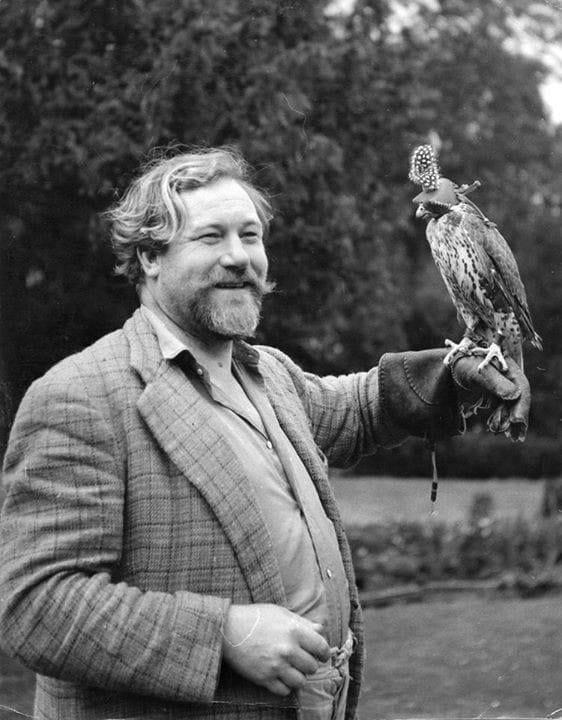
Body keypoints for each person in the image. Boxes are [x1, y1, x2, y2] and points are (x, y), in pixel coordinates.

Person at [0, 147, 530, 720]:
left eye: (250, 236)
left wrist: (454, 376)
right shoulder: (80, 396)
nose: (239, 257)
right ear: (150, 257)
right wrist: (225, 633)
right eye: (211, 237)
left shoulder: (266, 373)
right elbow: (35, 605)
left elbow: (354, 408)